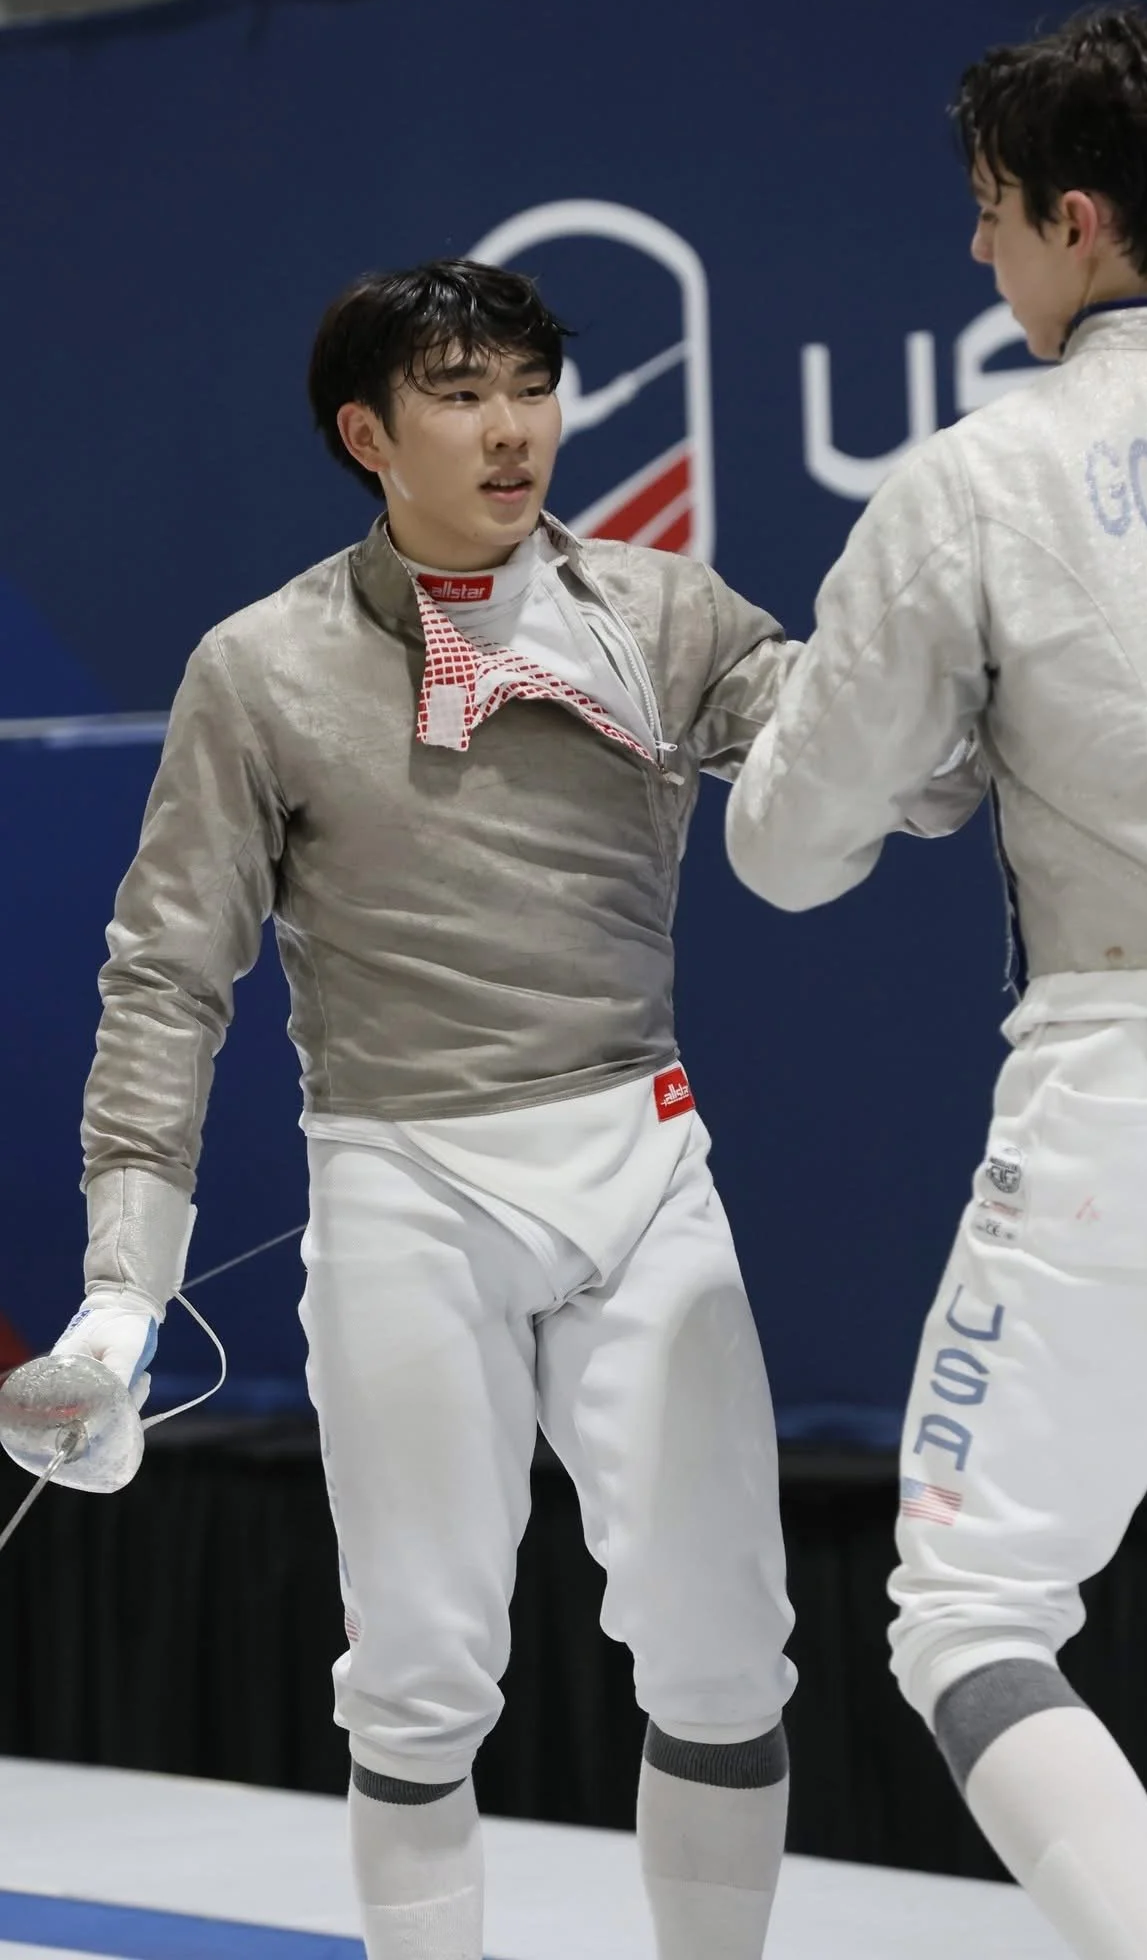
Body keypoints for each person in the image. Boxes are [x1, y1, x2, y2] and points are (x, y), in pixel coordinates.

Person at [51, 256, 821, 1960]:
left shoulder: (663, 611)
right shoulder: (262, 667)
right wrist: (122, 1295)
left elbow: (842, 757)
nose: (510, 428)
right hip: (405, 1176)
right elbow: (169, 973)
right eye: (463, 394)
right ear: (367, 434)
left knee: (723, 1646)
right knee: (416, 1669)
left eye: (531, 386)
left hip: (640, 1153)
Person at [726, 1, 1147, 1960]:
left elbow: (787, 841)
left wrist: (925, 768)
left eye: (990, 213)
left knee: (970, 1611)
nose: (975, 252)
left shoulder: (980, 476)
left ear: (1077, 220)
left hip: (1139, 1074)